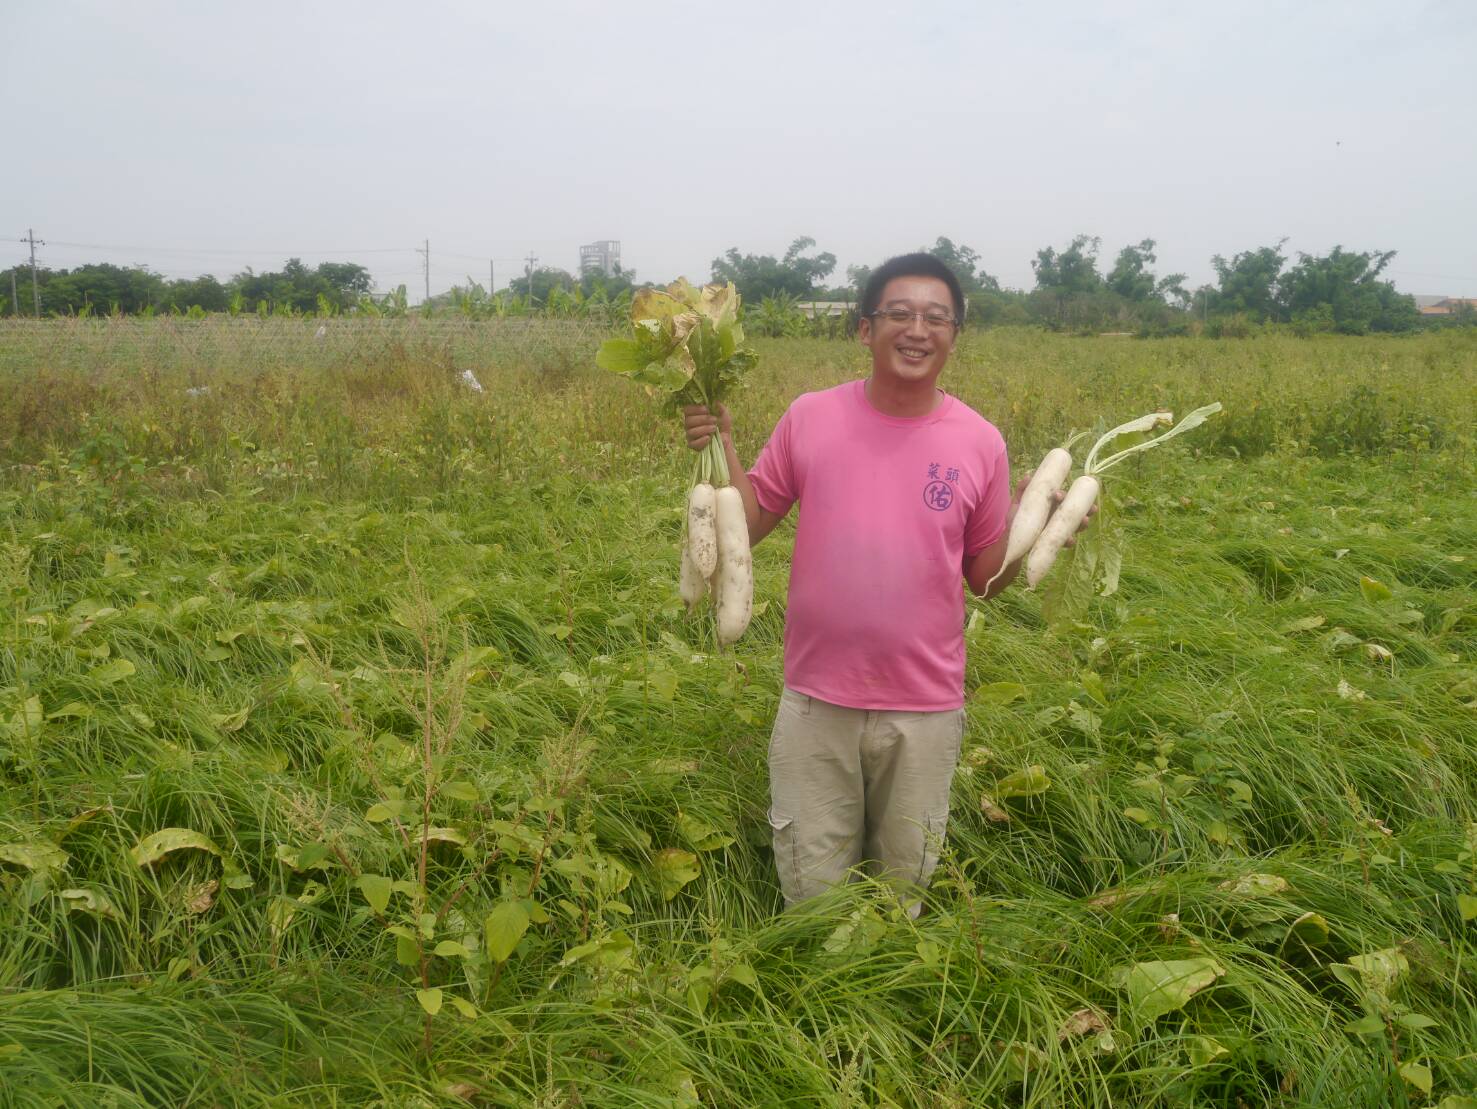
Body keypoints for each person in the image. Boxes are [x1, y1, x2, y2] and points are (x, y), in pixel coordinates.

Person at [683, 253, 1090, 915]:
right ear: (864, 330)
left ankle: (886, 978)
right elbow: (747, 527)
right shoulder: (810, 416)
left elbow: (986, 580)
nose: (917, 330)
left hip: (925, 708)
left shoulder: (980, 442)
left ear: (954, 336)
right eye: (899, 313)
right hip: (816, 699)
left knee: (900, 900)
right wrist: (723, 441)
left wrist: (1035, 526)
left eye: (937, 318)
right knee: (813, 901)